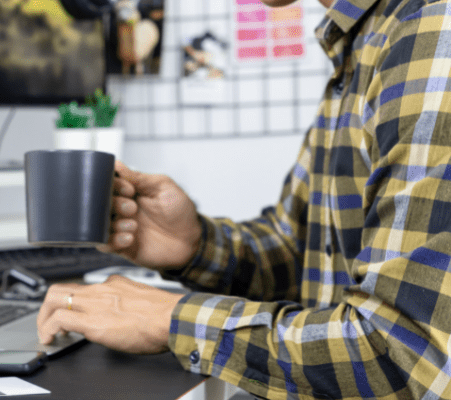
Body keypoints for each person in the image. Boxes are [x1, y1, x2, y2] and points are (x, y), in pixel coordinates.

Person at [36, 0, 451, 396]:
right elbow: (303, 252)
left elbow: (399, 356)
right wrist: (196, 245)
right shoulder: (366, 39)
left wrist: (173, 319)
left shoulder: (431, 32)